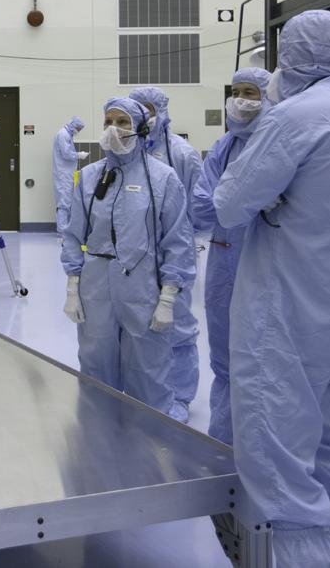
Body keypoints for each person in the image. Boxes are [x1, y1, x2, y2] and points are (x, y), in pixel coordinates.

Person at [212, 9, 330, 566]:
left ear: (291, 53)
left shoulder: (296, 116)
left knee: (279, 476)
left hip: (283, 320)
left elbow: (229, 202)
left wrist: (265, 191)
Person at [60, 97, 196, 415]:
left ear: (141, 129)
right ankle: (99, 440)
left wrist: (168, 299)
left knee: (148, 368)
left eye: (123, 123)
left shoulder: (162, 178)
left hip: (143, 289)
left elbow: (178, 241)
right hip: (96, 289)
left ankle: (149, 441)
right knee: (96, 365)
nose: (114, 129)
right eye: (108, 121)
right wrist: (72, 288)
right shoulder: (91, 177)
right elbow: (73, 233)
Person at [189, 66, 271, 444]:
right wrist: (239, 202)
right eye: (236, 90)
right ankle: (223, 448)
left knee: (264, 359)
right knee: (224, 358)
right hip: (225, 260)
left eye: (250, 92)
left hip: (269, 262)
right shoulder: (225, 146)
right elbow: (202, 207)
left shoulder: (277, 143)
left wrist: (228, 199)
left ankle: (262, 450)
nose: (241, 99)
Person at [128, 86, 203, 422]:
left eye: (147, 108)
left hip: (174, 251)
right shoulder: (126, 151)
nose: (142, 116)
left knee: (178, 324)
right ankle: (148, 389)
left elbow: (197, 209)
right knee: (141, 324)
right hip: (136, 255)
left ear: (160, 111)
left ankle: (180, 396)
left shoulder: (181, 154)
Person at [53, 116, 89, 234]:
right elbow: (66, 154)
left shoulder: (67, 135)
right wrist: (79, 155)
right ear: (73, 125)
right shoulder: (63, 134)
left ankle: (64, 229)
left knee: (67, 201)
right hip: (63, 173)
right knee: (64, 202)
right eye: (78, 128)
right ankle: (62, 231)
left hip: (66, 173)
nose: (78, 131)